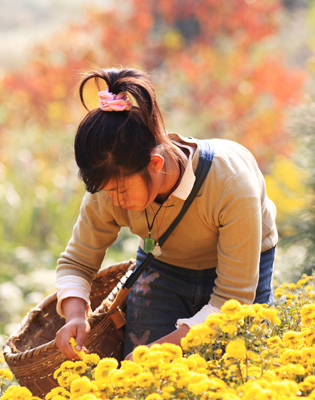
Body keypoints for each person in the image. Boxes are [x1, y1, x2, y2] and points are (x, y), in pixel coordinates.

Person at [54, 67, 277, 360]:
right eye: (108, 191)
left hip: (242, 273)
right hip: (166, 267)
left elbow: (232, 300)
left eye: (121, 191)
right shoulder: (109, 186)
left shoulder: (230, 184)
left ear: (155, 164)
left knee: (237, 366)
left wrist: (156, 353)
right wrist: (75, 315)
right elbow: (77, 262)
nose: (115, 201)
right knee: (143, 384)